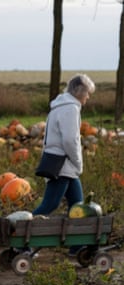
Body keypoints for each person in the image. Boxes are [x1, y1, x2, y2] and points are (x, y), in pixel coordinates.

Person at [32, 73, 96, 256]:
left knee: (78, 206)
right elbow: (70, 140)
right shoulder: (70, 109)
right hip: (63, 165)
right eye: (87, 93)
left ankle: (77, 246)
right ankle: (22, 239)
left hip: (58, 162)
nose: (88, 97)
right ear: (79, 91)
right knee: (49, 205)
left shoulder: (59, 106)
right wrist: (78, 162)